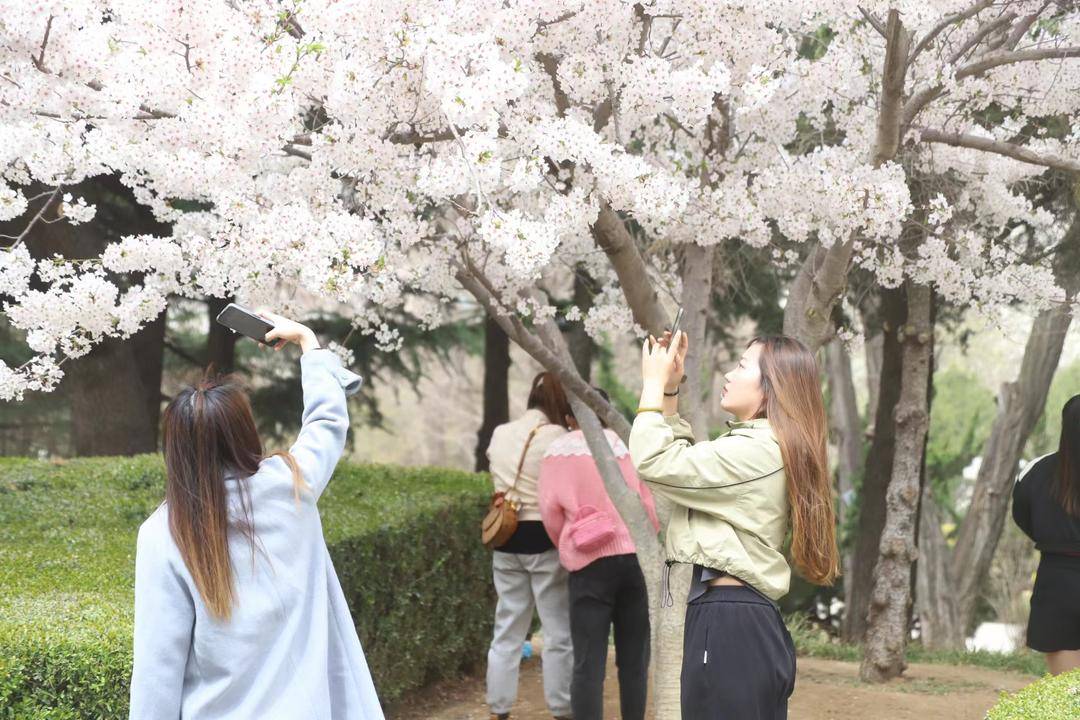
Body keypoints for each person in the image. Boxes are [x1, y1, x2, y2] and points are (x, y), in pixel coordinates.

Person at [129, 312, 383, 720]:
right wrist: (307, 343)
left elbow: (158, 669)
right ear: (245, 431)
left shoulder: (164, 532)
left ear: (174, 450)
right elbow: (326, 422)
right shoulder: (289, 485)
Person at [630, 331, 839, 720]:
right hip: (737, 618)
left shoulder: (758, 450)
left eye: (742, 366)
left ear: (770, 387)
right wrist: (671, 394)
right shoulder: (762, 445)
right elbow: (683, 474)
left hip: (730, 624)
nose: (728, 373)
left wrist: (653, 387)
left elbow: (655, 462)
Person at [538, 388, 660, 720]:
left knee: (587, 663)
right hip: (635, 558)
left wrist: (569, 540)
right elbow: (651, 504)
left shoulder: (557, 452)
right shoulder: (628, 445)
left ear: (569, 419)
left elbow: (549, 512)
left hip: (588, 562)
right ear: (606, 412)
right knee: (634, 660)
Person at [485, 371, 574, 720]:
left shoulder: (501, 433)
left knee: (507, 629)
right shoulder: (559, 437)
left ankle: (499, 708)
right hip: (545, 538)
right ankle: (561, 708)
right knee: (556, 632)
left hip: (505, 538)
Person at [1013, 393, 1080, 675]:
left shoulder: (1036, 470)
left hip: (1057, 582)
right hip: (1058, 576)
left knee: (1067, 694)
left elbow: (1023, 518)